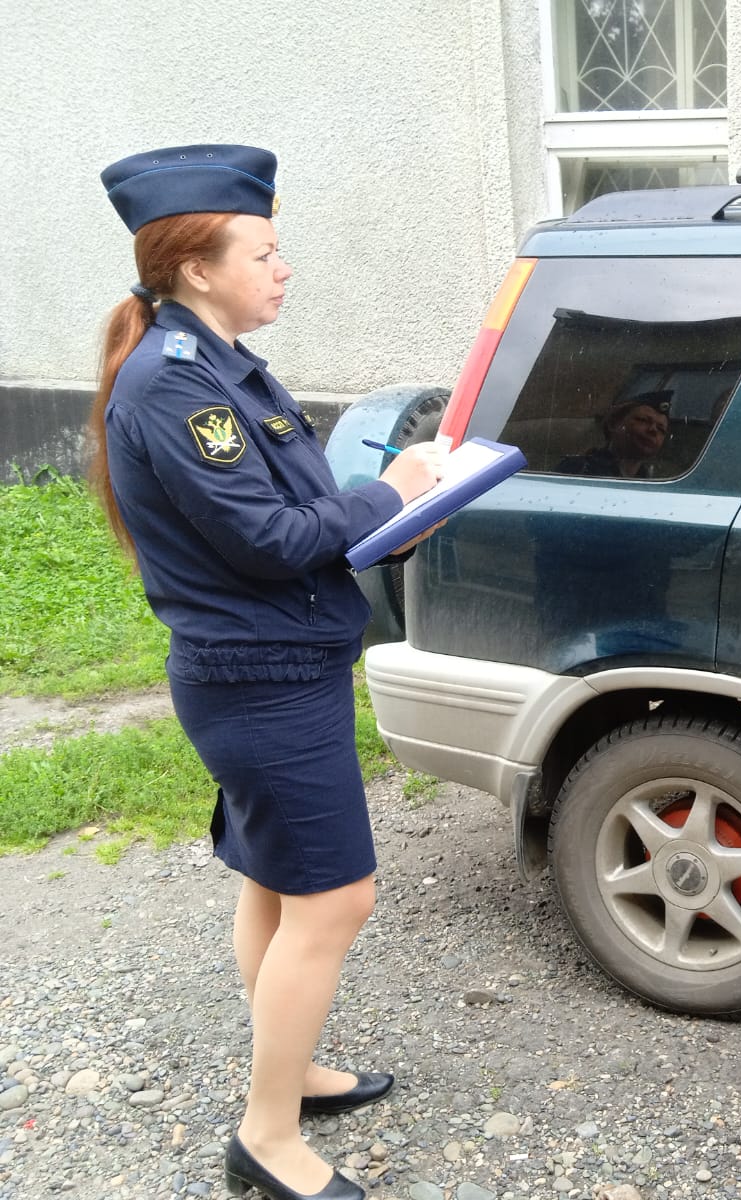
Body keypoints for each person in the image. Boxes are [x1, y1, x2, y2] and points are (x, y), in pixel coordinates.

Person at [88, 144, 446, 1200]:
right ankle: (267, 1136)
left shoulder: (222, 363)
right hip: (260, 681)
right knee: (335, 900)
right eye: (267, 250)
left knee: (277, 884)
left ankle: (291, 1074)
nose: (284, 268)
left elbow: (296, 525)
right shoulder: (175, 387)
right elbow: (271, 538)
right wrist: (392, 489)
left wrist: (404, 508)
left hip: (279, 663)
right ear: (197, 268)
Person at [556, 391, 671, 477]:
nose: (653, 430)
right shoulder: (577, 470)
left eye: (661, 429)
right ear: (614, 424)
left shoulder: (655, 485)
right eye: (643, 420)